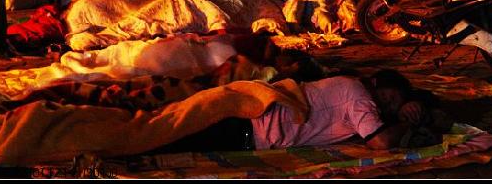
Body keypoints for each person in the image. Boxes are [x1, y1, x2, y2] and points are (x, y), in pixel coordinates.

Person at [151, 69, 449, 153]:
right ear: (375, 83)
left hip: (243, 116)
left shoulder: (353, 94)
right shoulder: (358, 94)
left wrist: (410, 109)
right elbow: (381, 141)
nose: (383, 105)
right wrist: (406, 122)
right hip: (244, 124)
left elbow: (443, 119)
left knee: (164, 129)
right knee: (159, 136)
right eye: (387, 97)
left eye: (391, 105)